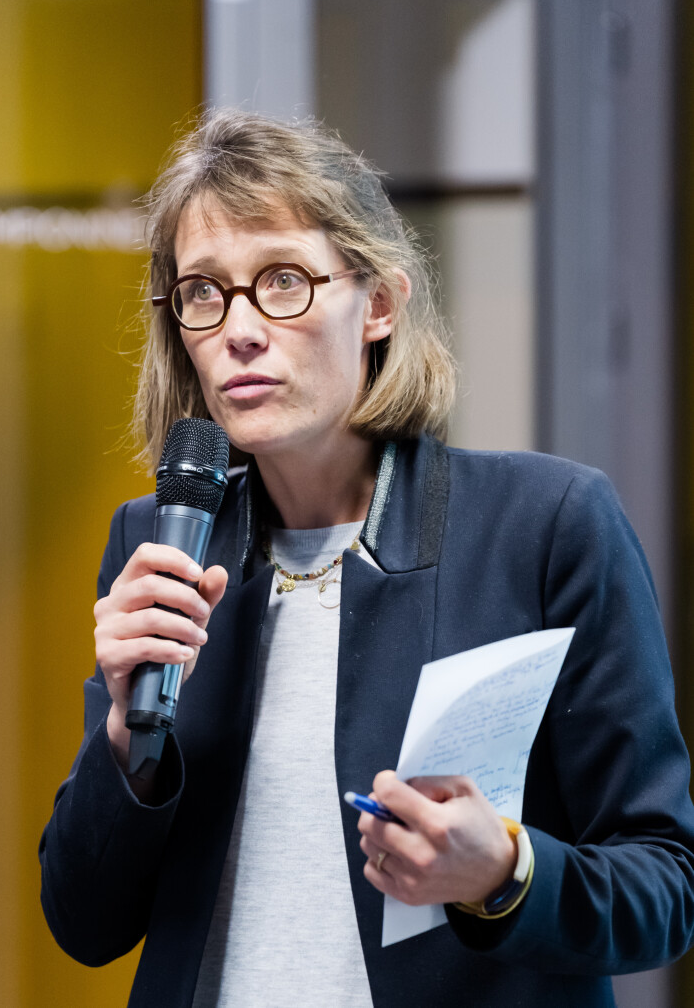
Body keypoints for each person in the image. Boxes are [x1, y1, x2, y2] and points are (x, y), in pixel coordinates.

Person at [40, 109, 694, 1008]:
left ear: (378, 304)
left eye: (282, 280)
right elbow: (84, 923)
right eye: (203, 291)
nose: (239, 329)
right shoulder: (157, 541)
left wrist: (505, 872)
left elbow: (664, 888)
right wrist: (124, 734)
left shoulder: (547, 525)